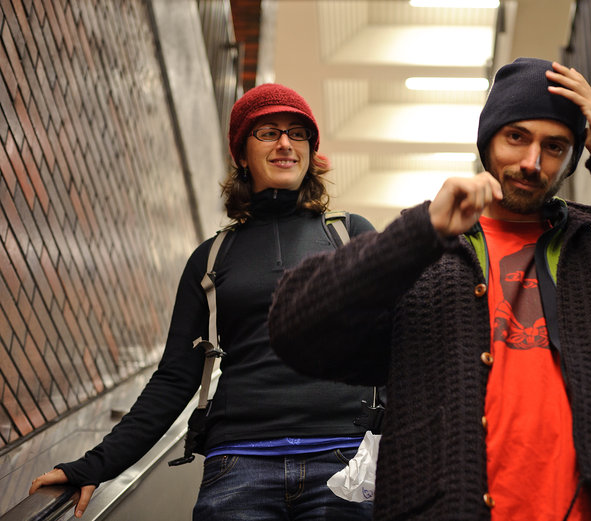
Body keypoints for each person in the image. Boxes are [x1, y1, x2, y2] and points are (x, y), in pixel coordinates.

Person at [267, 58, 591, 521]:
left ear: (571, 161)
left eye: (556, 146)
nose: (531, 161)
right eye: (516, 138)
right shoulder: (423, 265)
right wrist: (421, 231)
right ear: (487, 140)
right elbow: (294, 325)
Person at [29, 84, 376, 520]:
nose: (286, 143)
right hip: (239, 467)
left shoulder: (350, 235)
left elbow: (405, 342)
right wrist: (96, 465)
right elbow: (176, 377)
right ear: (241, 155)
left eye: (298, 133)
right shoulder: (212, 257)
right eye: (268, 132)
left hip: (344, 461)